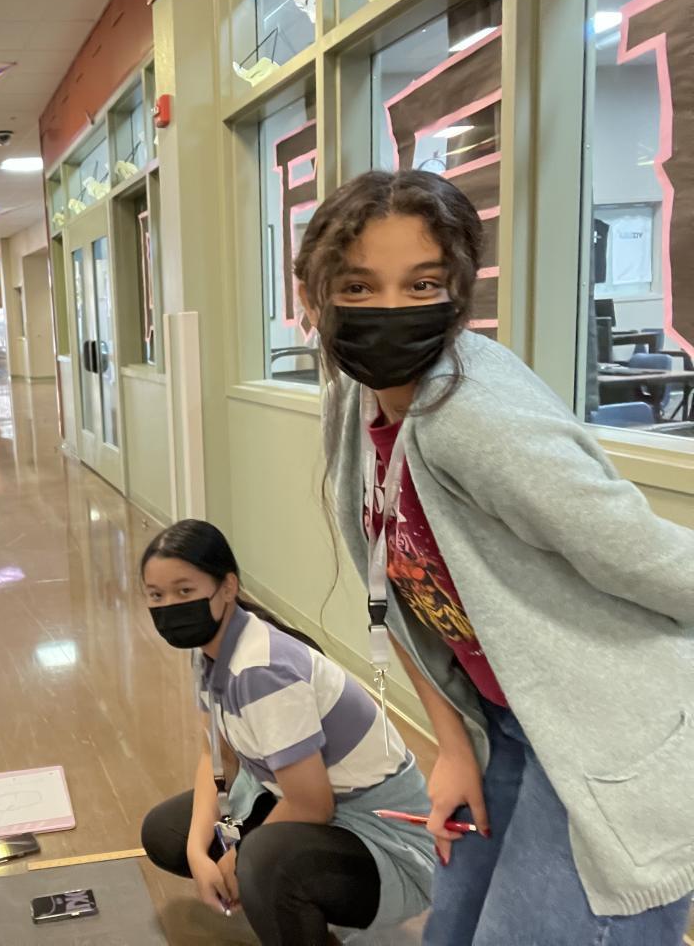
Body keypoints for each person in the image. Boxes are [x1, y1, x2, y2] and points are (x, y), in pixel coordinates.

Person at [295, 168, 694, 945]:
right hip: (508, 721)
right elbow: (397, 597)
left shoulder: (471, 421)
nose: (390, 311)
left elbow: (647, 557)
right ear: (313, 298)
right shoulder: (352, 398)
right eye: (359, 286)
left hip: (611, 732)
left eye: (422, 285)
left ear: (457, 294)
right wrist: (452, 744)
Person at [139, 520, 434, 946]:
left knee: (261, 861)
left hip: (383, 832)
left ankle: (300, 899)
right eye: (156, 595)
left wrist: (237, 860)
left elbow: (312, 804)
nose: (169, 606)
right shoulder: (208, 652)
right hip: (295, 796)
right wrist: (197, 852)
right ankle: (299, 900)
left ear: (227, 587)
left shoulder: (262, 671)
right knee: (168, 832)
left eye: (184, 591)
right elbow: (217, 755)